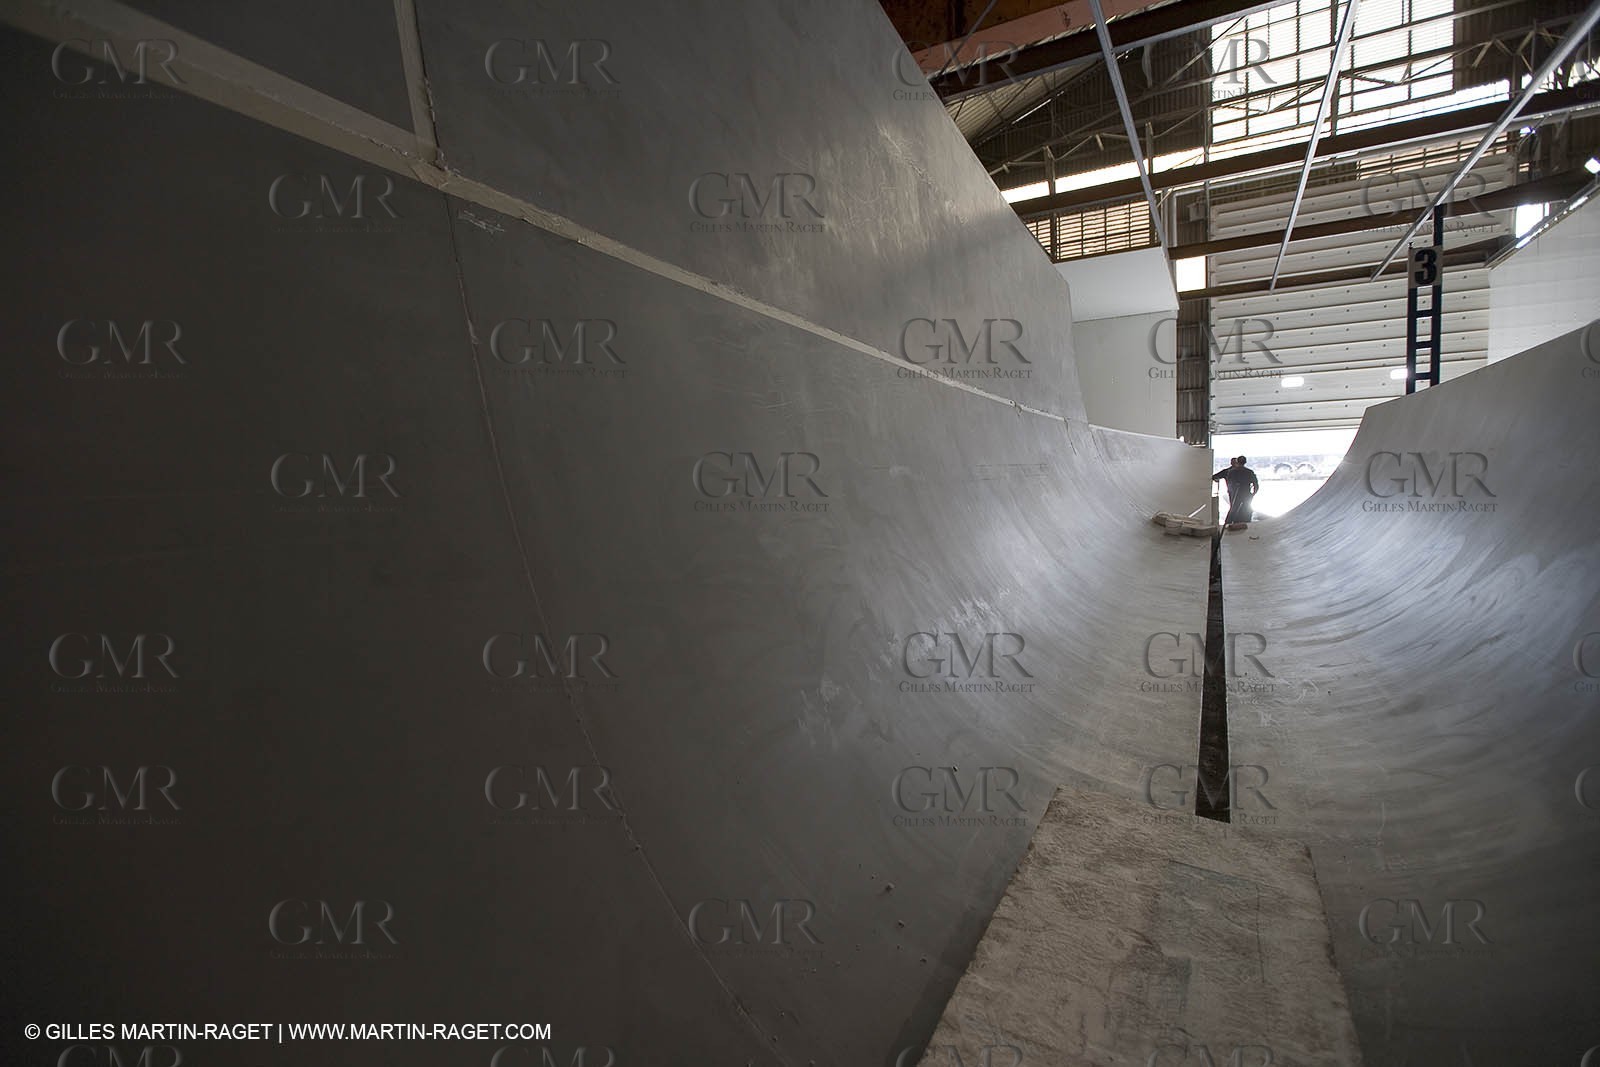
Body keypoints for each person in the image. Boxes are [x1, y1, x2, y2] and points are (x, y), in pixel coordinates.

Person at [1212, 455, 1259, 526]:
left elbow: (1230, 483)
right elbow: (1256, 484)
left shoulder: (1230, 472)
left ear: (1237, 462)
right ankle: (1245, 523)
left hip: (1235, 493)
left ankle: (1229, 524)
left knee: (1234, 509)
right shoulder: (1249, 472)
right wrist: (1252, 494)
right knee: (1246, 509)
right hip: (1246, 493)